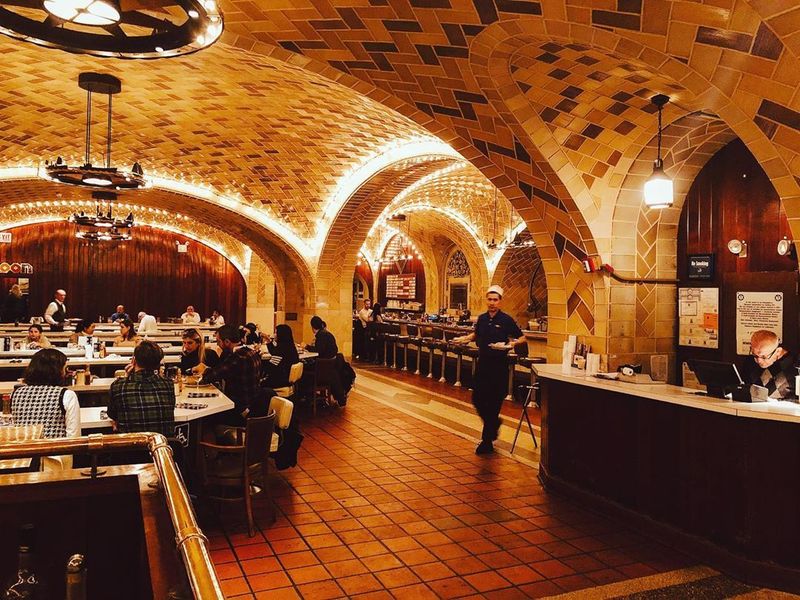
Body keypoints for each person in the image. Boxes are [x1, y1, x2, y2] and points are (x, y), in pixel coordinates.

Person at [453, 285, 525, 455]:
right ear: (486, 300)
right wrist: (465, 338)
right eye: (490, 299)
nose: (492, 303)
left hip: (499, 366)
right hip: (483, 364)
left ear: (500, 301)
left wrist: (512, 344)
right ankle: (494, 424)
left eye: (495, 300)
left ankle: (486, 442)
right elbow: (476, 334)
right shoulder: (482, 319)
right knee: (477, 398)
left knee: (493, 403)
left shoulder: (506, 320)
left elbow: (522, 337)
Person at [11, 348, 80, 469]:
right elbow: (74, 438)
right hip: (54, 463)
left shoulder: (16, 393)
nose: (67, 373)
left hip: (21, 461)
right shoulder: (66, 395)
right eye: (65, 369)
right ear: (56, 371)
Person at [198, 324, 263, 425]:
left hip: (240, 411)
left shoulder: (238, 357)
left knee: (206, 417)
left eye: (218, 341)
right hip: (253, 406)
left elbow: (210, 377)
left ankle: (214, 435)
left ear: (227, 342)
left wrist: (204, 369)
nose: (218, 345)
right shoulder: (251, 352)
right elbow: (223, 370)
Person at [108, 341, 175, 436]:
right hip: (162, 443)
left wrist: (127, 376)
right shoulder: (168, 384)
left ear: (134, 360)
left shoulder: (118, 386)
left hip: (132, 443)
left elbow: (112, 415)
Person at [742, 329, 798, 400]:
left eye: (764, 357)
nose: (759, 360)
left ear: (778, 351)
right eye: (755, 355)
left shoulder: (795, 366)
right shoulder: (751, 361)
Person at [262, 324, 300, 388]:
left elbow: (270, 368)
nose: (274, 335)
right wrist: (269, 341)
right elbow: (275, 353)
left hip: (280, 381)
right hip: (287, 379)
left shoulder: (281, 348)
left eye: (276, 333)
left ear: (281, 335)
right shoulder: (290, 346)